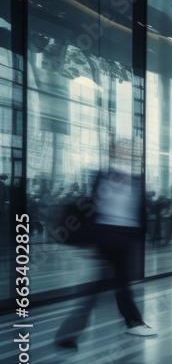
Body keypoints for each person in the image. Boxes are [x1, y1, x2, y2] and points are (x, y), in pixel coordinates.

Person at [56, 147, 156, 348]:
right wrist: (91, 242)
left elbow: (136, 212)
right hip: (107, 235)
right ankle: (69, 335)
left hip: (125, 237)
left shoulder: (134, 180)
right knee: (109, 286)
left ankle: (70, 334)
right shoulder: (104, 177)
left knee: (114, 285)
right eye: (122, 154)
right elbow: (92, 209)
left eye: (129, 154)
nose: (127, 157)